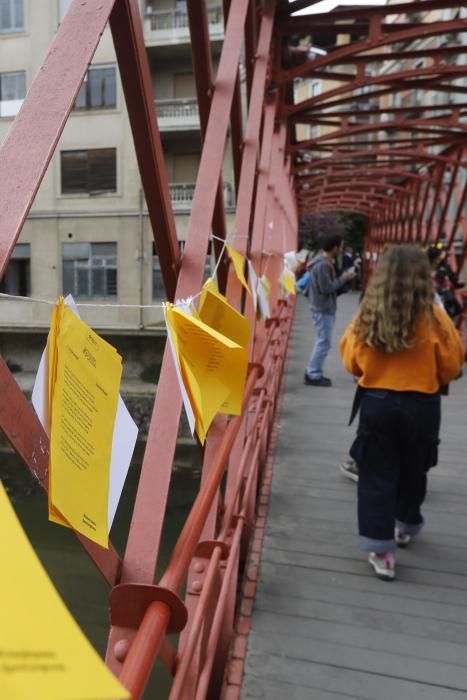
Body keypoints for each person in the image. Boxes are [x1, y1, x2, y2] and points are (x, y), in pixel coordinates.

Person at [340, 245, 463, 581]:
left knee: (377, 474)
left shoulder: (369, 312)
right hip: (421, 404)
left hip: (377, 402)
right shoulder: (433, 316)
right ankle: (405, 525)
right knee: (414, 468)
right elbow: (452, 364)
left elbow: (350, 358)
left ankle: (381, 551)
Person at [304, 234, 356, 387]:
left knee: (323, 341)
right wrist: (344, 279)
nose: (341, 250)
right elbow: (326, 288)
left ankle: (315, 372)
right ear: (335, 247)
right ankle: (313, 373)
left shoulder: (323, 263)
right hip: (322, 308)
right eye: (340, 246)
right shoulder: (322, 265)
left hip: (322, 306)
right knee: (323, 341)